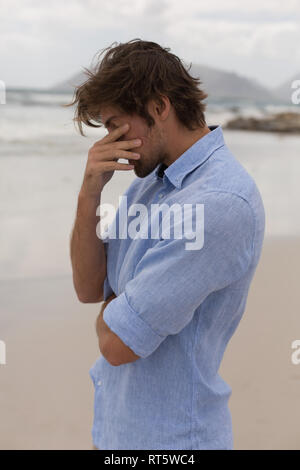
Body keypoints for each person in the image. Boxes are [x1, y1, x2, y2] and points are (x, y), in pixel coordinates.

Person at [68, 39, 265, 450]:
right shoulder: (150, 183)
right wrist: (90, 193)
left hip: (174, 442)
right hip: (117, 431)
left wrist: (119, 306)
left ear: (159, 107)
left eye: (116, 124)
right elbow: (89, 288)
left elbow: (117, 344)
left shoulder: (218, 204)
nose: (110, 141)